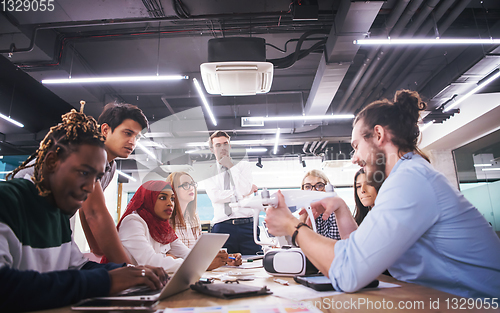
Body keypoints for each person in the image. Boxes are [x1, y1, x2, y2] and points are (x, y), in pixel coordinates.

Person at [265, 89, 500, 298]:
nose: (354, 158)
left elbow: (349, 272)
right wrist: (343, 210)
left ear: (378, 135)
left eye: (356, 146)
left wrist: (292, 227)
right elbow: (364, 255)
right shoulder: (407, 175)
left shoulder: (410, 180)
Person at [0, 107, 166, 312]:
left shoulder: (57, 215)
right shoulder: (6, 201)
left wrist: (128, 272)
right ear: (52, 162)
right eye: (83, 173)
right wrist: (104, 281)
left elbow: (76, 266)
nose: (90, 187)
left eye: (96, 178)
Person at [14, 102, 148, 264]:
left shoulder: (110, 167)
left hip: (45, 223)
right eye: (127, 133)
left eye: (137, 137)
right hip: (20, 214)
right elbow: (94, 212)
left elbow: (86, 210)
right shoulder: (87, 153)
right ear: (105, 130)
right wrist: (126, 267)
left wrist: (98, 251)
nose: (133, 142)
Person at [117, 180, 241, 273]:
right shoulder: (133, 222)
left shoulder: (162, 227)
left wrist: (224, 257)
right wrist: (201, 264)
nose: (170, 203)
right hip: (128, 291)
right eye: (162, 197)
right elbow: (150, 262)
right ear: (148, 199)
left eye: (172, 198)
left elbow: (188, 254)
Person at [204, 131, 261, 255]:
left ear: (229, 146)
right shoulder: (208, 171)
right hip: (222, 226)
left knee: (255, 264)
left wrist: (230, 166)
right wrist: (241, 194)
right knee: (222, 266)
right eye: (218, 145)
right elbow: (215, 197)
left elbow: (245, 189)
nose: (222, 147)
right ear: (212, 149)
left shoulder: (243, 166)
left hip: (248, 225)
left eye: (225, 144)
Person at [300, 170, 341, 240]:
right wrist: (302, 219)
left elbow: (334, 245)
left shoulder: (333, 213)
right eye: (307, 187)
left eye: (319, 186)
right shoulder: (305, 212)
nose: (313, 191)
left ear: (327, 189)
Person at [167, 171, 202, 248]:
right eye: (185, 184)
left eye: (192, 184)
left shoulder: (194, 218)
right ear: (173, 189)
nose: (191, 188)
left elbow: (198, 250)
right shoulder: (166, 219)